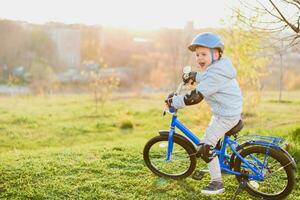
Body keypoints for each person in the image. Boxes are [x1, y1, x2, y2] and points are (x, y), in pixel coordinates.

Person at [165, 32, 243, 195]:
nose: (199, 57)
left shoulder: (215, 74)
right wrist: (195, 75)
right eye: (197, 54)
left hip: (226, 116)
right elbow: (208, 76)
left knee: (204, 147)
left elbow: (195, 97)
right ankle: (221, 158)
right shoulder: (220, 67)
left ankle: (217, 183)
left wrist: (174, 101)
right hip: (227, 112)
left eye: (204, 54)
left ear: (216, 54)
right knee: (212, 139)